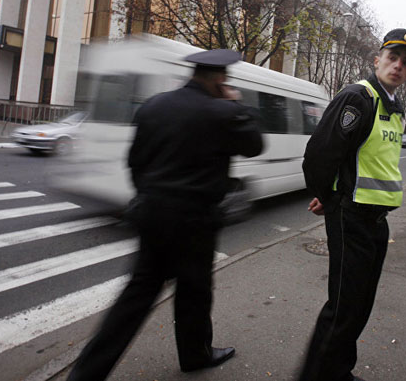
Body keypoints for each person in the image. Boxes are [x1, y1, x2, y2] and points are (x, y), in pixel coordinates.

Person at [67, 49, 263, 380]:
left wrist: (152, 195)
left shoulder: (154, 105)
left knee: (136, 297)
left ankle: (85, 373)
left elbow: (136, 161)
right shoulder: (223, 112)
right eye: (225, 80)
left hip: (152, 213)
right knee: (195, 292)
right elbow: (254, 145)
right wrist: (238, 105)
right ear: (219, 78)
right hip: (195, 220)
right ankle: (195, 355)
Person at [298, 28, 406, 381]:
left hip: (376, 220)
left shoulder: (393, 107)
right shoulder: (358, 97)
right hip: (350, 216)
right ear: (377, 60)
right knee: (342, 308)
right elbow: (319, 154)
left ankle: (337, 371)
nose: (398, 66)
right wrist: (329, 197)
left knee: (359, 305)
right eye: (393, 58)